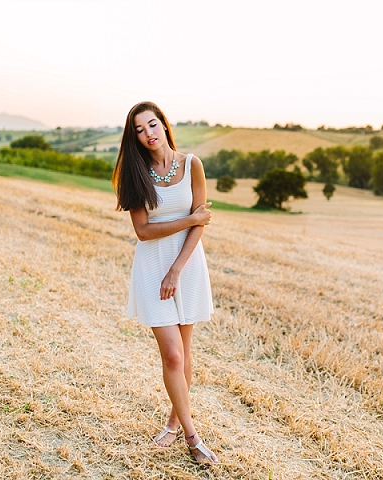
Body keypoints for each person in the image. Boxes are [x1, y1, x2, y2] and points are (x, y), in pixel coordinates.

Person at [112, 101, 219, 465]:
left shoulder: (192, 166)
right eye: (139, 130)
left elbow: (199, 225)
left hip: (186, 265)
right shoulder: (135, 173)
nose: (148, 134)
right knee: (172, 353)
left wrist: (177, 268)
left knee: (185, 354)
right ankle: (193, 437)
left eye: (152, 124)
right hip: (152, 267)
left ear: (164, 125)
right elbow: (143, 231)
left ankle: (174, 421)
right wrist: (189, 219)